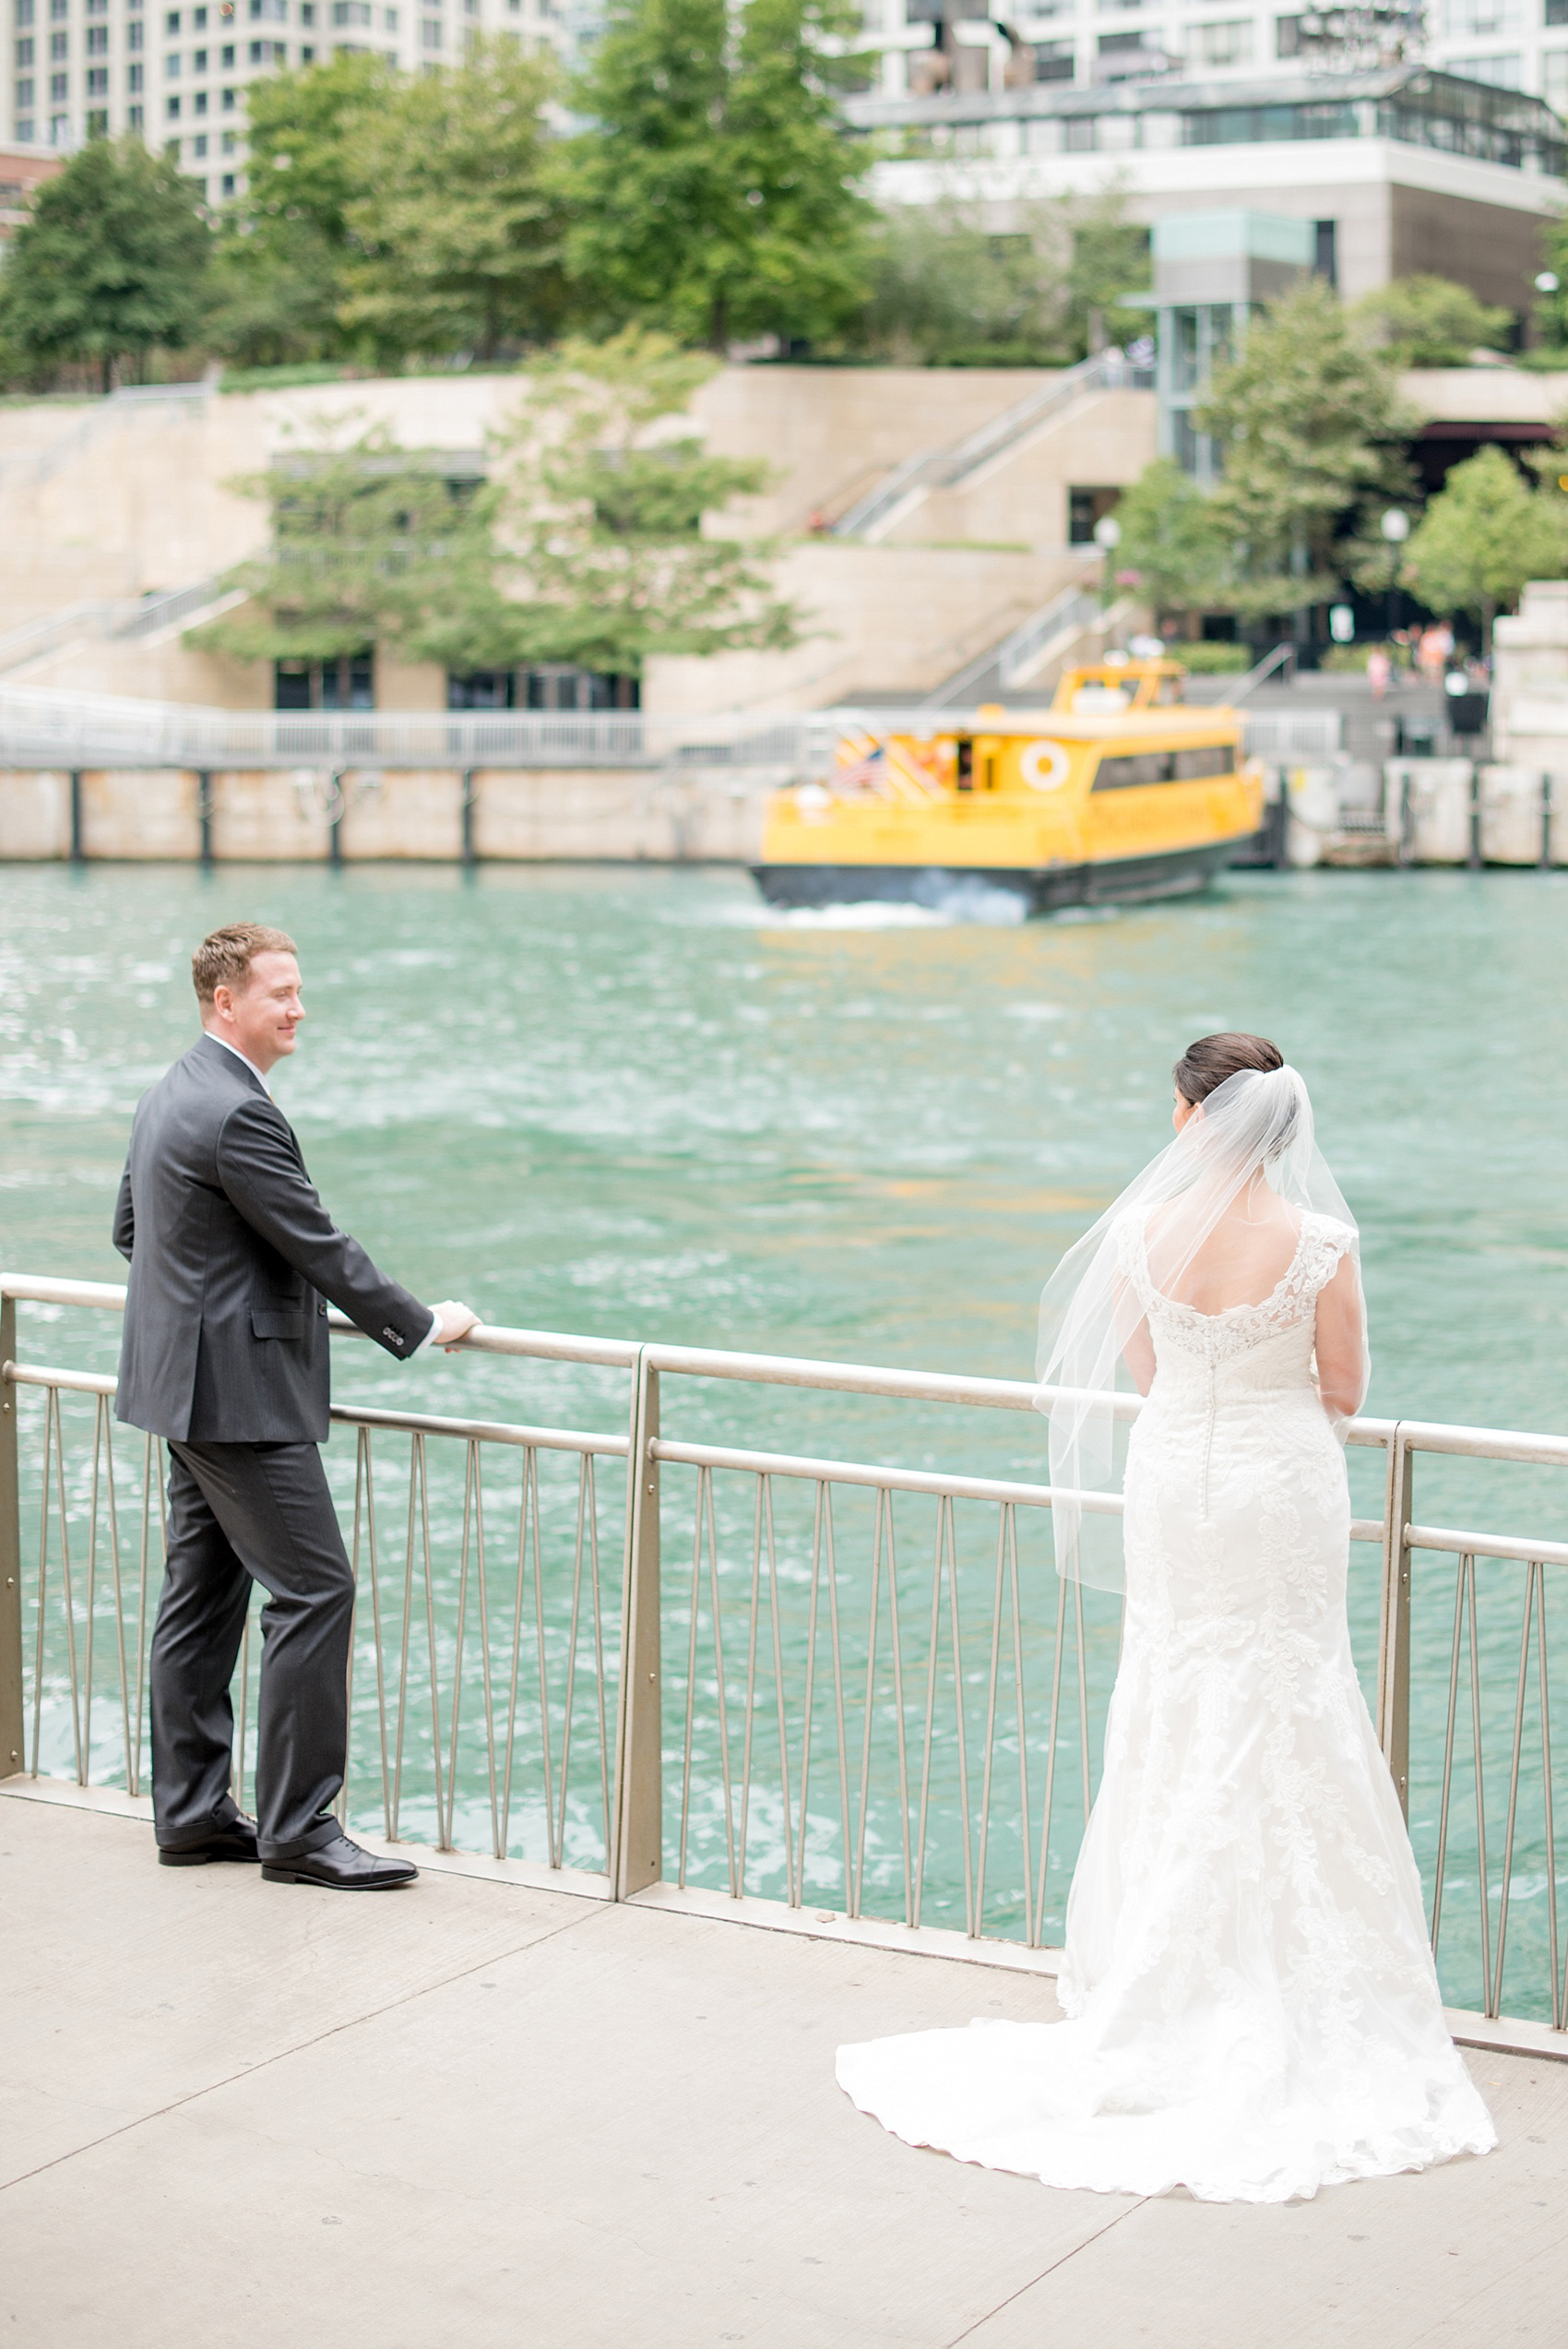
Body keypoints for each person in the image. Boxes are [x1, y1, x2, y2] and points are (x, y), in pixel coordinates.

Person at [837, 1032, 1495, 2201]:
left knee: (1173, 1693)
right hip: (1279, 1478)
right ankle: (1289, 1976)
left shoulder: (1138, 1234)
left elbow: (1144, 1373)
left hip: (1172, 1473)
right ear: (1283, 1125)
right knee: (1287, 1694)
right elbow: (1342, 1387)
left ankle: (1163, 1976)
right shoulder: (1322, 1241)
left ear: (1193, 1116)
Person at [113, 923, 481, 1890]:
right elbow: (318, 1243)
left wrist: (211, 1286)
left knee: (199, 1601)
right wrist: (422, 1321)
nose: (298, 1006)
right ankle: (300, 1829)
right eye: (280, 991)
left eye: (299, 988)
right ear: (225, 1000)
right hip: (239, 1397)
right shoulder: (237, 1111)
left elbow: (130, 1230)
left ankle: (192, 1814)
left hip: (178, 1386)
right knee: (317, 1590)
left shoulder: (169, 1092)